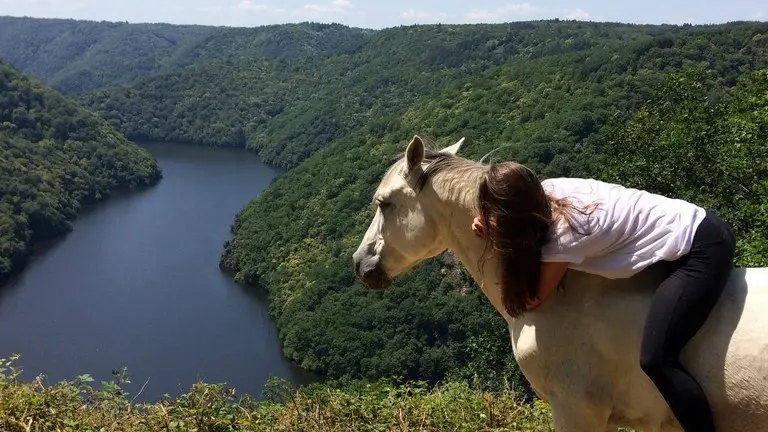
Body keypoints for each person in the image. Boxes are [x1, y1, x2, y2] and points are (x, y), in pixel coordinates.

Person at [470, 161, 735, 432]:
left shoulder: (565, 236)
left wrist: (495, 243)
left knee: (657, 359)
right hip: (691, 225)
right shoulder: (548, 189)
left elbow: (530, 299)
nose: (490, 218)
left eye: (497, 214)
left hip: (701, 247)